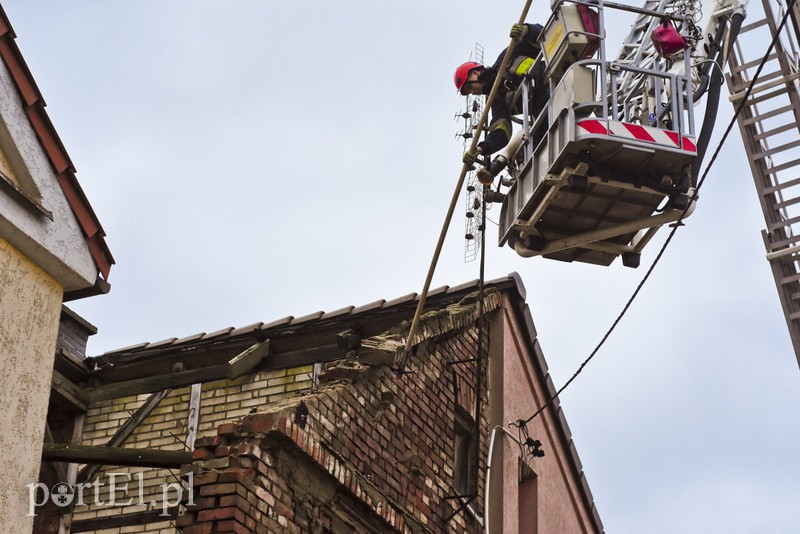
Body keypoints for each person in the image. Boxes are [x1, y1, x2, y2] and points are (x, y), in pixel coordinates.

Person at [454, 23, 547, 167]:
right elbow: (502, 130)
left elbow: (543, 36)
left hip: (553, 79)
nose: (472, 93)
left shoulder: (506, 59)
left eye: (469, 86)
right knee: (540, 152)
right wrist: (481, 148)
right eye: (468, 92)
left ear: (475, 73)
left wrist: (526, 30)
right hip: (544, 111)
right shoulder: (496, 99)